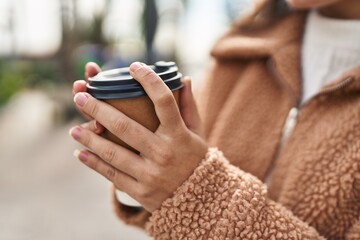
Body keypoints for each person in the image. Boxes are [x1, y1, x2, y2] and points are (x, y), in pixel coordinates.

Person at [69, 0, 360, 239]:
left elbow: (187, 186)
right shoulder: (242, 51)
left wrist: (198, 194)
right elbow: (168, 207)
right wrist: (140, 169)